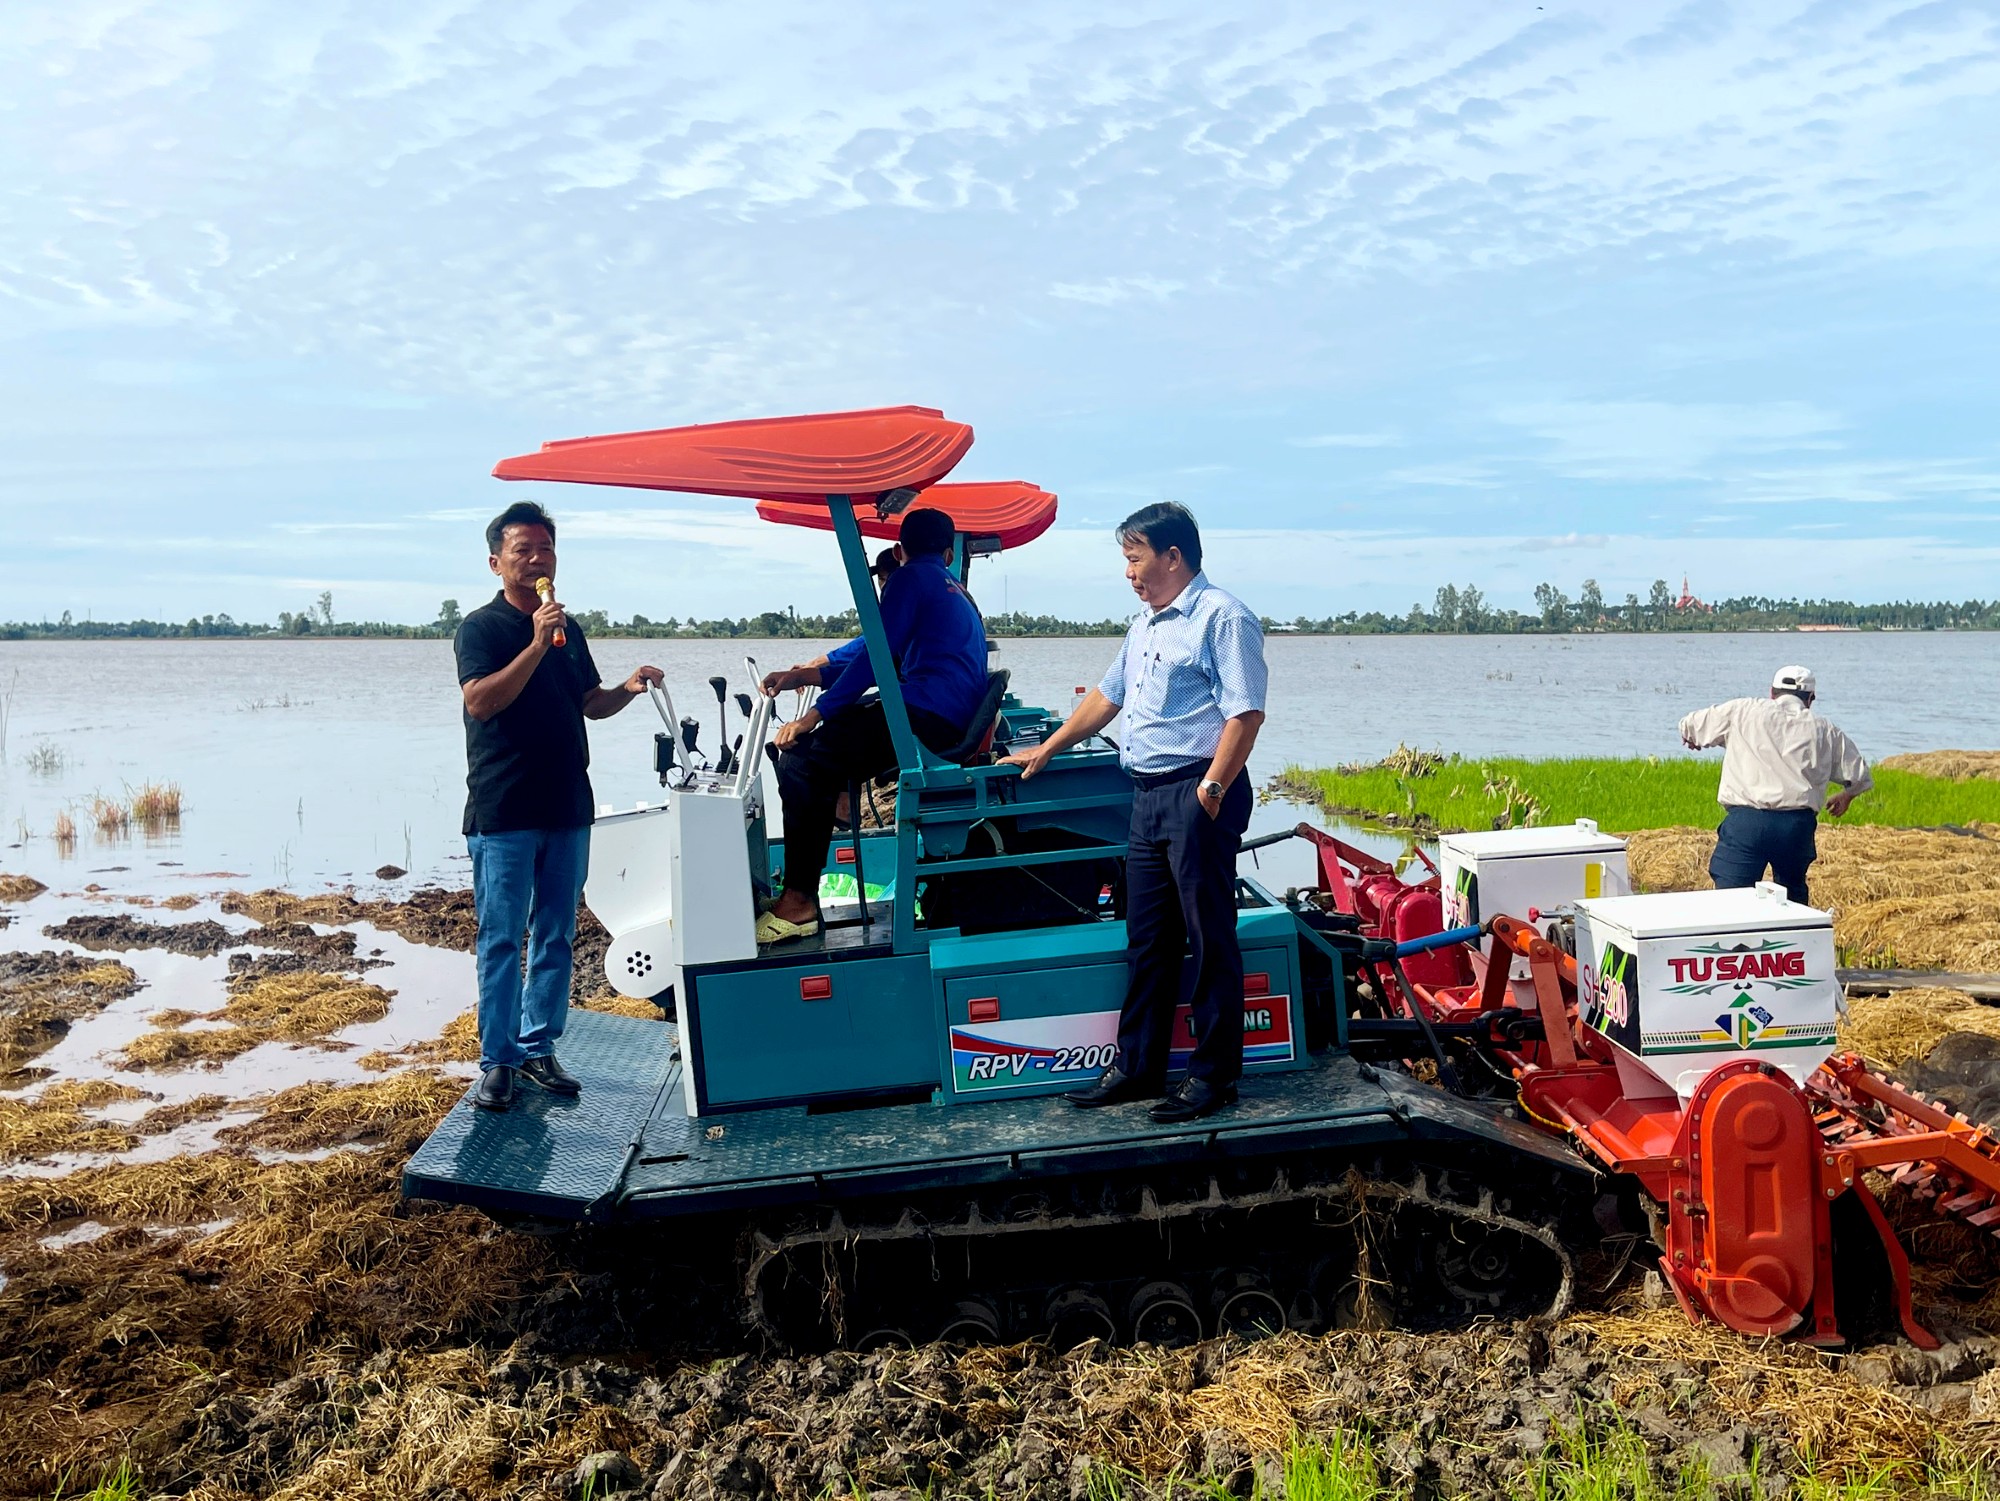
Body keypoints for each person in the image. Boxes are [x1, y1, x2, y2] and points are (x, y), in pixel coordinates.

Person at [1001, 502, 1267, 1123]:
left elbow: (1245, 714)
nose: (1129, 572)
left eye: (1134, 558)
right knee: (1147, 939)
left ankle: (1213, 1078)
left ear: (1174, 557)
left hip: (1197, 793)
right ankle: (1138, 1068)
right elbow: (1107, 696)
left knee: (1208, 941)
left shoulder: (1222, 617)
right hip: (1147, 798)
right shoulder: (1144, 625)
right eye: (1126, 559)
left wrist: (1212, 791)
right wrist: (1047, 747)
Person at [455, 500, 664, 1112]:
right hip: (505, 810)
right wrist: (537, 644)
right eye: (524, 550)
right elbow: (481, 703)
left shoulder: (567, 632)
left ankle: (539, 1049)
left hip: (568, 803)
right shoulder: (483, 628)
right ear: (497, 562)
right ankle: (499, 1062)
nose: (538, 558)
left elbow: (588, 703)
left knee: (556, 935)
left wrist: (627, 687)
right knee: (500, 938)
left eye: (546, 548)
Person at [756, 508, 989, 944]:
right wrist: (804, 675)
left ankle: (800, 900)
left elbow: (875, 657)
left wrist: (815, 713)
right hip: (941, 713)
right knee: (820, 749)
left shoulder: (908, 578)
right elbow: (871, 649)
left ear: (899, 551)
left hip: (925, 717)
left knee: (800, 760)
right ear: (948, 552)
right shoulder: (951, 587)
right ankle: (830, 813)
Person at [1678, 665, 1872, 905]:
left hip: (1746, 824)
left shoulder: (1742, 711)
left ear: (1772, 692)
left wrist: (1692, 738)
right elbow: (1860, 776)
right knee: (1791, 902)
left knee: (1731, 901)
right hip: (1796, 828)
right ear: (1810, 699)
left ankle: (1738, 940)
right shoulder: (1825, 730)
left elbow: (1689, 724)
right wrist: (1847, 795)